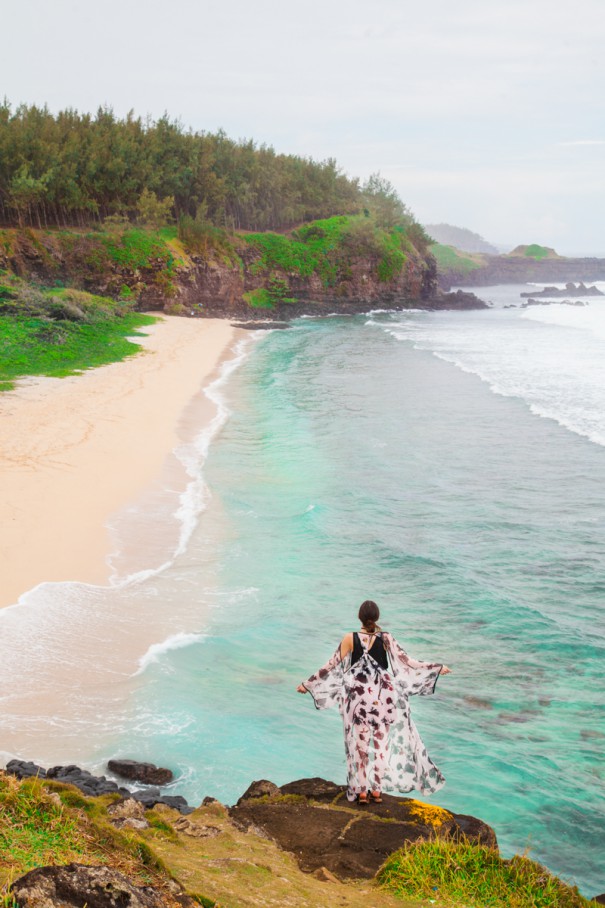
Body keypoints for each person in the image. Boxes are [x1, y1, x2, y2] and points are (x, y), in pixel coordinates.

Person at [297, 600, 451, 803]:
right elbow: (408, 661)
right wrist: (437, 667)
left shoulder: (349, 638)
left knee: (361, 747)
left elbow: (331, 665)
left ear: (359, 617)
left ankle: (362, 792)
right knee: (380, 746)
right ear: (377, 617)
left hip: (359, 699)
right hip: (383, 698)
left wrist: (308, 684)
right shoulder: (386, 637)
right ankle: (376, 791)